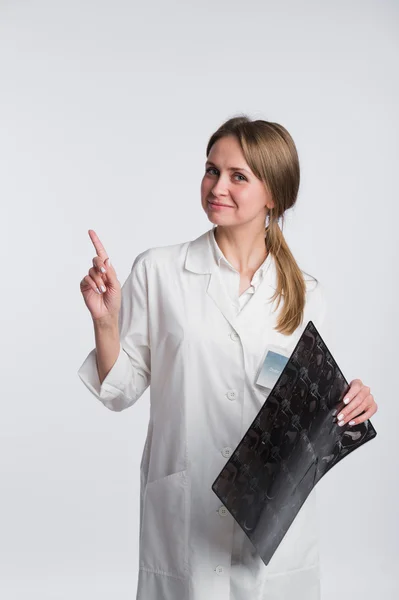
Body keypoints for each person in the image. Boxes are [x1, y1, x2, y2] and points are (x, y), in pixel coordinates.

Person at [77, 116, 378, 600]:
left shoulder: (305, 294)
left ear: (273, 193)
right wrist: (107, 322)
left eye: (239, 176)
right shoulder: (160, 271)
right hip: (185, 511)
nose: (217, 186)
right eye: (211, 170)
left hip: (273, 522)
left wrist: (352, 403)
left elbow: (309, 406)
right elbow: (120, 390)